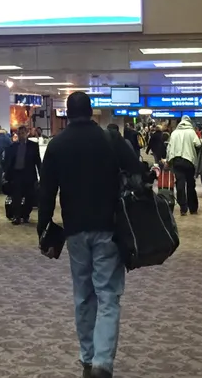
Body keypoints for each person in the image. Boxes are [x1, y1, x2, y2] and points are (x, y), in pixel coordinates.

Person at [38, 92, 140, 378]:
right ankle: (101, 364)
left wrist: (44, 229)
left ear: (67, 114)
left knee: (83, 295)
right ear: (92, 112)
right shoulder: (109, 139)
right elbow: (137, 171)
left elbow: (46, 192)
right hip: (109, 227)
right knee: (108, 295)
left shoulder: (57, 145)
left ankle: (87, 358)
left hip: (75, 230)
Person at [165, 115, 202, 217]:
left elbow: (169, 148)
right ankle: (193, 208)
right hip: (189, 161)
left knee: (180, 184)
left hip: (177, 161)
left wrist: (168, 160)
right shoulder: (191, 132)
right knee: (191, 185)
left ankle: (183, 208)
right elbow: (198, 145)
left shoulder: (174, 133)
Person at [3, 125, 42, 225]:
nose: (21, 136)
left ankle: (25, 215)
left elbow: (37, 161)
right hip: (17, 175)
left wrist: (41, 175)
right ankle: (17, 216)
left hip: (29, 175)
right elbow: (9, 162)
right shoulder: (12, 147)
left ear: (27, 133)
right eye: (19, 134)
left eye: (23, 133)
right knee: (16, 197)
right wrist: (6, 175)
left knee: (30, 197)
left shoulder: (33, 146)